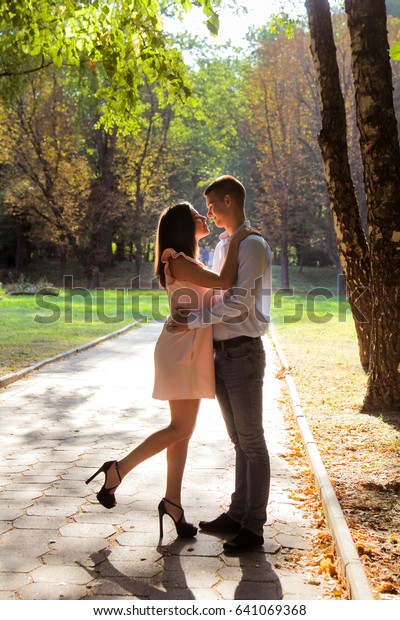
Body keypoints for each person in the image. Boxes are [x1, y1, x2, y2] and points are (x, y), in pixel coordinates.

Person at [85, 201, 255, 540]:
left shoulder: (186, 261)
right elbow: (225, 280)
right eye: (196, 214)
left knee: (182, 430)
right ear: (183, 225)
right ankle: (117, 470)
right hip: (182, 350)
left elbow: (212, 294)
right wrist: (238, 237)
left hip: (188, 347)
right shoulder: (178, 260)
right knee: (181, 426)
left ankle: (172, 503)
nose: (204, 217)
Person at [170, 176, 272, 553]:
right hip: (221, 353)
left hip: (244, 352)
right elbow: (215, 292)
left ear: (228, 200)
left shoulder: (253, 245)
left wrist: (193, 321)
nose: (209, 214)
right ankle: (237, 511)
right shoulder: (224, 245)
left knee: (253, 442)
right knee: (238, 440)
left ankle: (253, 526)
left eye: (211, 206)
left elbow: (240, 303)